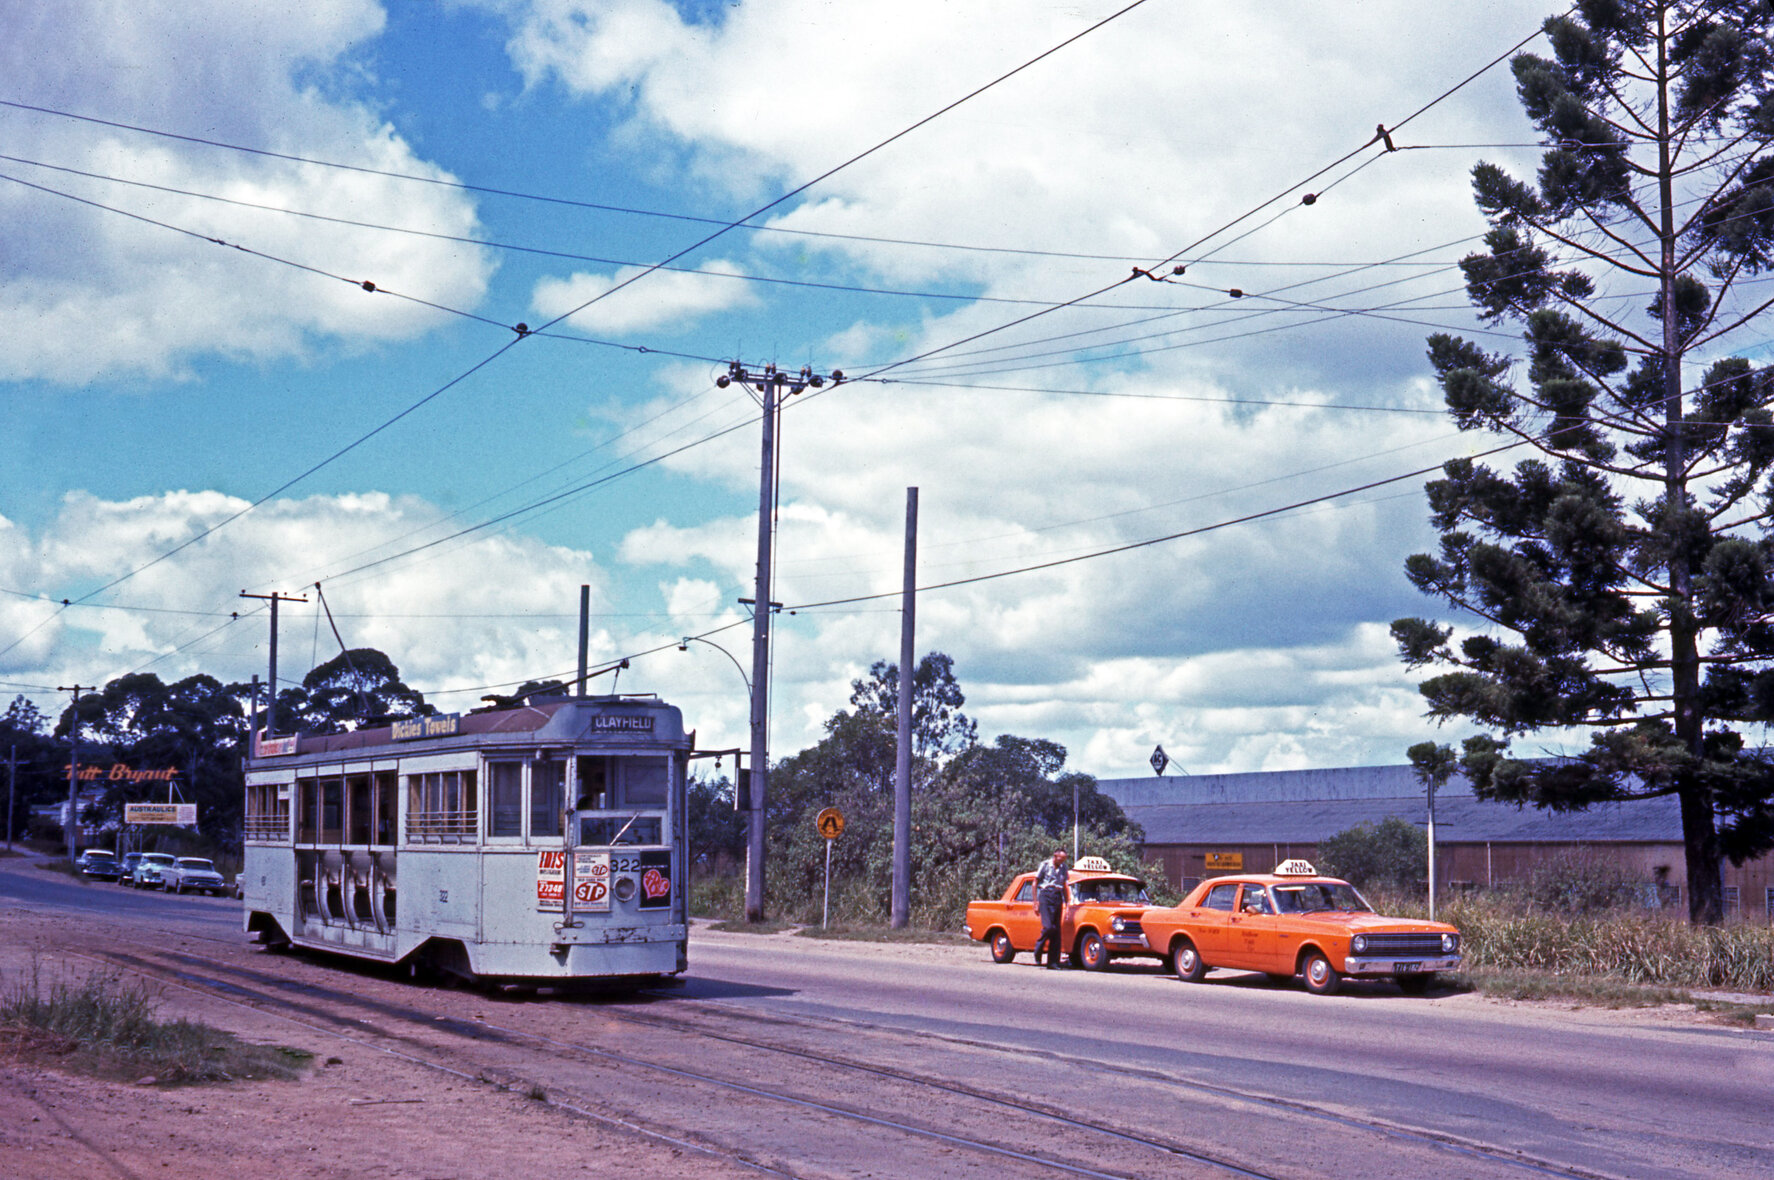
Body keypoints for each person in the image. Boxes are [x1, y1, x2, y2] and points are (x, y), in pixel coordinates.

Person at [1032, 848, 1070, 969]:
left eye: (1065, 859)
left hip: (1057, 897)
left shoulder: (1064, 868)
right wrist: (1035, 902)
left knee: (1056, 931)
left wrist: (1067, 903)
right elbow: (1035, 882)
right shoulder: (1045, 865)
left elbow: (1064, 886)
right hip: (1045, 896)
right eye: (1061, 858)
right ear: (1055, 856)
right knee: (1048, 927)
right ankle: (1038, 948)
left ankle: (1053, 962)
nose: (1063, 861)